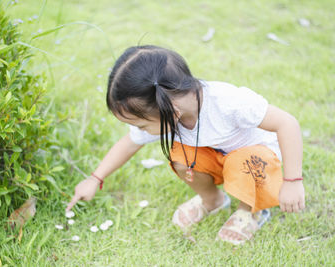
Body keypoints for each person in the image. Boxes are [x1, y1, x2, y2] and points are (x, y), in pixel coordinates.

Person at [65, 45, 305, 245]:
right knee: (179, 156)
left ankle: (251, 210)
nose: (140, 132)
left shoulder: (230, 102)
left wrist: (292, 181)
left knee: (243, 162)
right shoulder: (167, 114)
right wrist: (95, 178)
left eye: (141, 125)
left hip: (255, 162)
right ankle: (213, 201)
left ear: (173, 112)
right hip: (219, 160)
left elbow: (288, 124)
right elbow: (128, 144)